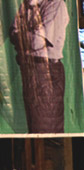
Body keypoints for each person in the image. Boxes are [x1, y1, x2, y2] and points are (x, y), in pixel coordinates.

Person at [7, 0, 69, 133]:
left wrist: (23, 37)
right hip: (29, 70)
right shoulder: (27, 4)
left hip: (46, 71)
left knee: (46, 129)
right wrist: (30, 37)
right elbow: (13, 33)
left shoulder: (55, 4)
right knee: (34, 127)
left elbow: (38, 42)